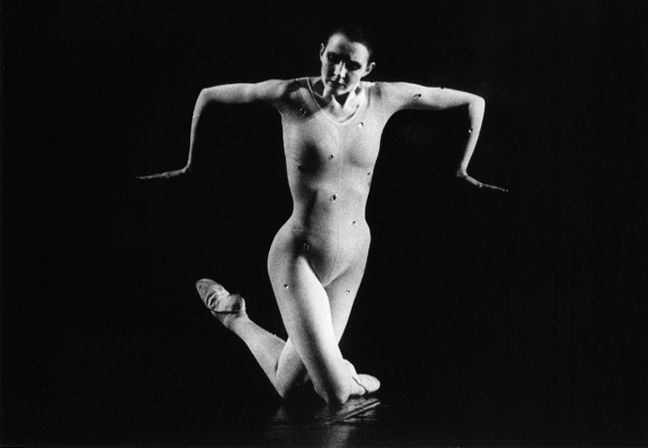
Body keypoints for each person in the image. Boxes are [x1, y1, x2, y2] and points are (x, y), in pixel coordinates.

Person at [139, 26, 507, 405]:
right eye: (333, 58)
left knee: (287, 383)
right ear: (321, 53)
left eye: (352, 65)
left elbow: (473, 102)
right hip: (299, 254)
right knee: (335, 391)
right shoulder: (289, 94)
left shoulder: (383, 97)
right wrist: (189, 163)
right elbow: (208, 95)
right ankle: (350, 378)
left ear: (368, 69)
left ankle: (235, 318)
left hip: (353, 256)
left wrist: (462, 168)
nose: (340, 71)